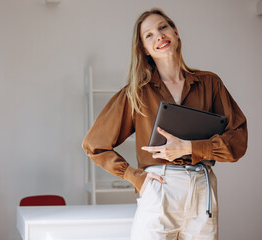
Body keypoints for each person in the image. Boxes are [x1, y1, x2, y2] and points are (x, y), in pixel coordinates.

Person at [82, 8, 247, 240]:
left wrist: (189, 147)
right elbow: (94, 144)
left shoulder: (211, 84)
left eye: (163, 27)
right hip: (160, 187)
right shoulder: (136, 93)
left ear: (176, 32)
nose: (158, 35)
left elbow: (238, 141)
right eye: (148, 35)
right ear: (143, 49)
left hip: (203, 188)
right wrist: (134, 176)